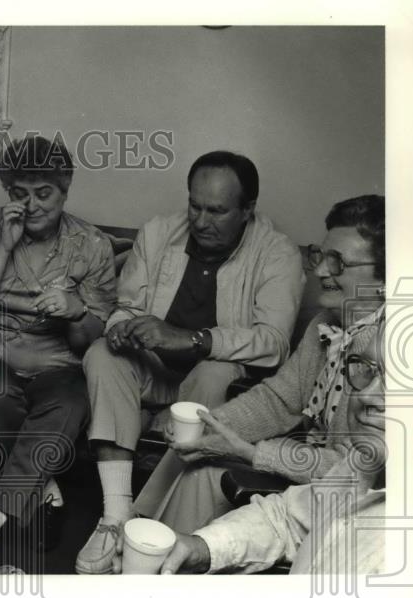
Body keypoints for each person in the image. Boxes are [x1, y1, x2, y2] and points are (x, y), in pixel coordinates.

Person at [75, 150, 305, 574]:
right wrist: (122, 327)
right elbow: (126, 306)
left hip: (210, 381)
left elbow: (274, 343)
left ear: (247, 210)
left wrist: (195, 340)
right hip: (153, 370)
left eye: (217, 211)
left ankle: (151, 526)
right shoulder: (159, 232)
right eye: (194, 206)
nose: (201, 221)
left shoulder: (278, 254)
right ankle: (115, 516)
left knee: (213, 371)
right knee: (103, 353)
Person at [143, 194, 386, 539]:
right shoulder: (325, 324)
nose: (320, 270)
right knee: (198, 459)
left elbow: (357, 473)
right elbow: (279, 401)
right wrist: (214, 427)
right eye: (320, 255)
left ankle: (163, 561)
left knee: (202, 473)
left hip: (351, 508)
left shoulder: (388, 349)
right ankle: (153, 552)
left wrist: (255, 453)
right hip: (305, 470)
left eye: (339, 262)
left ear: (385, 278)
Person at [0, 136, 117, 573]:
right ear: (8, 192)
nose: (32, 205)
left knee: (71, 402)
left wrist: (78, 309)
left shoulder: (93, 245)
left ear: (65, 191)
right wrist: (3, 247)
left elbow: (89, 340)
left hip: (58, 366)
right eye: (20, 193)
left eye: (44, 194)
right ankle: (46, 488)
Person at [155, 321, 387, 575]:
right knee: (200, 468)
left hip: (302, 467)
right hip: (306, 476)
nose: (366, 395)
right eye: (367, 372)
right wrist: (203, 548)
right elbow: (291, 518)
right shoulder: (361, 464)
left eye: (396, 382)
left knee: (208, 475)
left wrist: (253, 453)